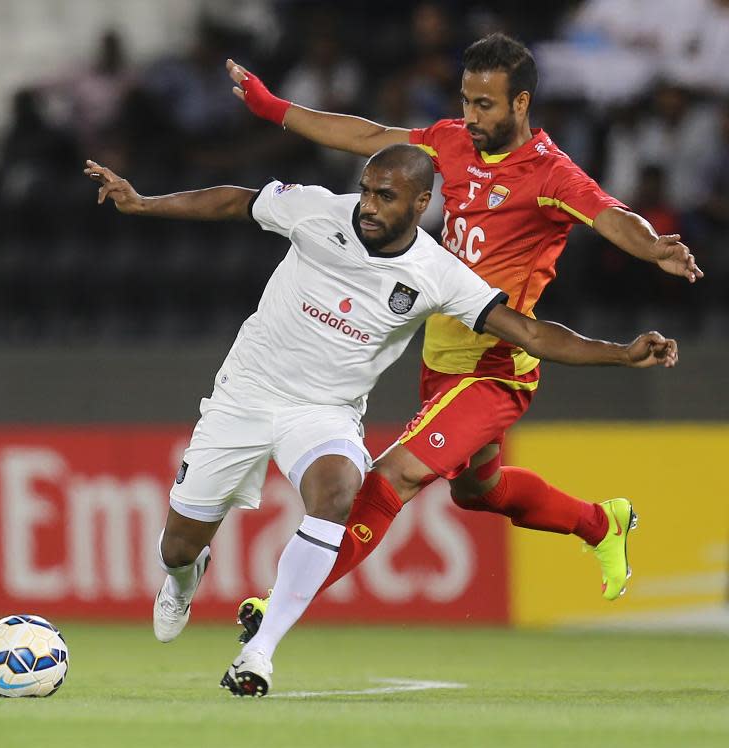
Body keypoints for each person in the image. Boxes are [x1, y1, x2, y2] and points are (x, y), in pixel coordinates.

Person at [84, 145, 677, 697]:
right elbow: (238, 199)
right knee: (179, 546)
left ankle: (259, 652)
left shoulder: (436, 273)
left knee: (341, 489)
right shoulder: (316, 210)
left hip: (325, 413)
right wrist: (144, 203)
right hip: (244, 397)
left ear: (422, 204)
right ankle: (183, 581)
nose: (368, 205)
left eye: (385, 196)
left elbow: (526, 331)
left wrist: (620, 352)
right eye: (366, 190)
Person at [224, 34, 702, 636]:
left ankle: (281, 602)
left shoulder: (549, 174)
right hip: (442, 359)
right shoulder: (450, 141)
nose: (471, 117)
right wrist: (274, 108)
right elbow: (371, 137)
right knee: (480, 491)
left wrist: (653, 246)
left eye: (486, 106)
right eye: (467, 101)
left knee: (392, 474)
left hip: (496, 364)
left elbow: (609, 214)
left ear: (521, 104)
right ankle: (601, 524)